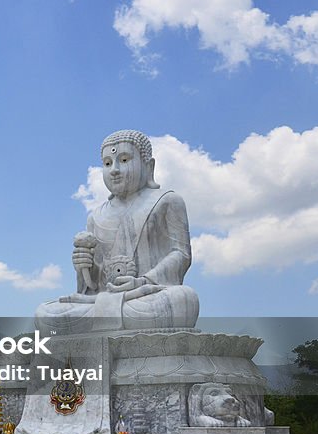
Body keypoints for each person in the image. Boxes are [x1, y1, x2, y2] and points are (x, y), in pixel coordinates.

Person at [35, 130, 199, 334]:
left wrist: (144, 281)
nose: (114, 169)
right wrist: (84, 267)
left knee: (182, 300)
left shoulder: (167, 201)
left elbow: (180, 254)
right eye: (107, 163)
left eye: (123, 159)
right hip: (103, 300)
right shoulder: (96, 216)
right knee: (45, 313)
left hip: (144, 295)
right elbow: (94, 285)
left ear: (149, 166)